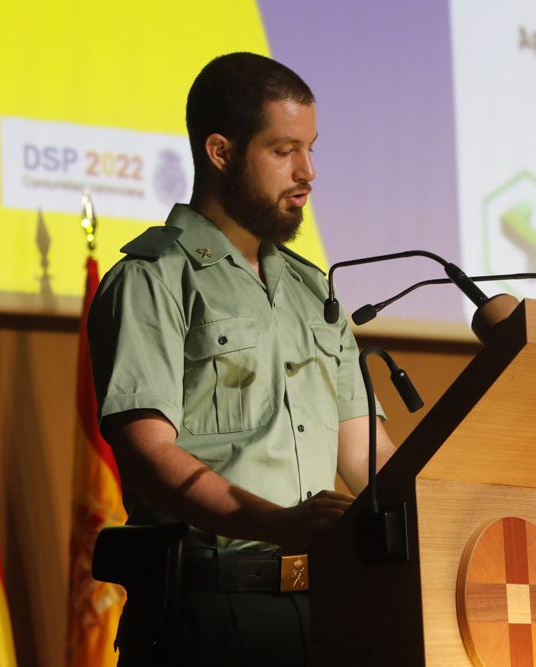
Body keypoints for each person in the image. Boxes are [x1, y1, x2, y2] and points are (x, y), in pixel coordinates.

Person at [87, 52, 396, 666]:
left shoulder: (316, 292)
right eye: (284, 151)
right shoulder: (153, 279)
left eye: (311, 148)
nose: (307, 171)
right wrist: (282, 524)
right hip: (208, 617)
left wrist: (461, 497)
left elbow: (368, 457)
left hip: (327, 612)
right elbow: (148, 455)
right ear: (221, 152)